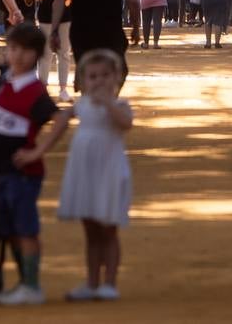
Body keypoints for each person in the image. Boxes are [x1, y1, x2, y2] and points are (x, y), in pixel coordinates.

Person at [0, 24, 72, 306]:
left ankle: (31, 286)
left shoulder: (33, 90)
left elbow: (60, 120)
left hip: (23, 173)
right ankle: (23, 283)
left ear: (36, 55)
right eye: (12, 48)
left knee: (25, 228)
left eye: (25, 50)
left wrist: (37, 151)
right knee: (9, 229)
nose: (16, 55)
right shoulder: (2, 84)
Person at [58, 49, 133, 302]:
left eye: (105, 75)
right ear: (82, 81)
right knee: (90, 230)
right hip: (85, 172)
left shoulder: (120, 105)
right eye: (92, 76)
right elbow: (60, 119)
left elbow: (126, 123)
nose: (99, 81)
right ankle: (91, 282)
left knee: (108, 229)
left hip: (109, 173)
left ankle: (109, 283)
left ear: (117, 78)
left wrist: (108, 103)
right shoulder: (81, 106)